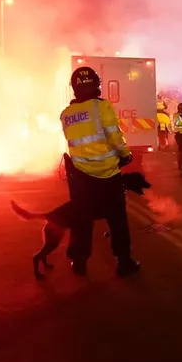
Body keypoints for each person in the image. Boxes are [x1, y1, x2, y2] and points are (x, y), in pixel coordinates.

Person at [60, 66, 141, 277]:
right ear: (96, 84)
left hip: (80, 176)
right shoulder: (101, 107)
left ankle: (79, 261)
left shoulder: (66, 114)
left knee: (81, 219)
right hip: (107, 174)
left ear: (75, 88)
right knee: (116, 218)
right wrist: (125, 154)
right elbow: (114, 135)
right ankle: (123, 261)